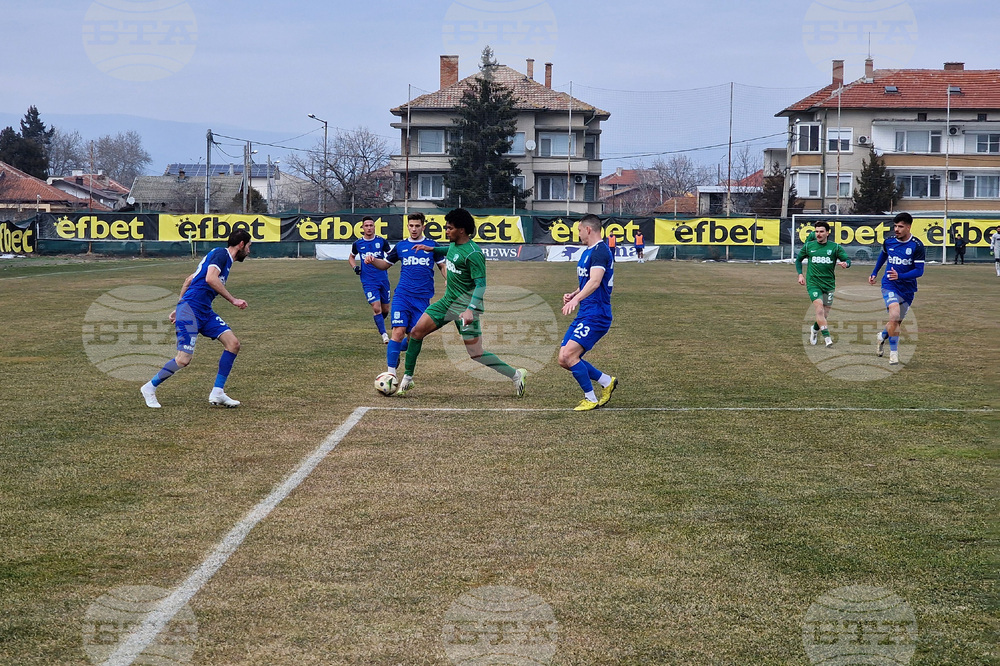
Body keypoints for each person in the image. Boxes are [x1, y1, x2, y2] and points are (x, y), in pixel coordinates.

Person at [398, 208, 526, 397]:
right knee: (416, 332)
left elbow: (481, 285)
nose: (446, 231)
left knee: (476, 353)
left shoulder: (473, 254)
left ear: (462, 230)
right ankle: (408, 378)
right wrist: (431, 249)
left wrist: (470, 310)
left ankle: (516, 374)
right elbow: (449, 251)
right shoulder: (454, 245)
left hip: (465, 309)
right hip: (447, 302)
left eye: (449, 228)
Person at [141, 229, 252, 408]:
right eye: (248, 246)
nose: (249, 250)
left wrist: (179, 306)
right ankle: (149, 387)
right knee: (183, 359)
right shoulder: (221, 254)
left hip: (203, 311)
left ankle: (218, 392)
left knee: (233, 344)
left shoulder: (222, 259)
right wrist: (233, 300)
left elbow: (189, 279)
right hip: (191, 310)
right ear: (241, 245)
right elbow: (210, 279)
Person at [364, 212, 447, 376]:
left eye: (417, 226)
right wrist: (373, 260)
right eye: (411, 226)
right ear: (407, 226)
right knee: (397, 332)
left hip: (422, 299)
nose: (414, 229)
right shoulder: (401, 246)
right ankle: (391, 374)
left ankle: (395, 351)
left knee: (413, 338)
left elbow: (442, 266)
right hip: (402, 296)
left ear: (423, 226)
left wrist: (448, 279)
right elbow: (385, 265)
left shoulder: (432, 246)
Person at [559, 214, 618, 411]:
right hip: (586, 312)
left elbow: (595, 282)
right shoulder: (588, 252)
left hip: (597, 314)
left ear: (588, 229)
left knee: (569, 355)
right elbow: (587, 281)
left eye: (579, 230)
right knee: (563, 359)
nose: (578, 234)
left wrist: (577, 299)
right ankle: (606, 381)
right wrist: (574, 293)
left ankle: (591, 399)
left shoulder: (601, 251)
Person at [869, 212, 925, 365]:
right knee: (893, 316)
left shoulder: (917, 246)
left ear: (908, 227)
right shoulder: (889, 242)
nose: (897, 229)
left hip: (907, 289)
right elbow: (883, 256)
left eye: (900, 226)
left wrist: (900, 276)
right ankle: (894, 354)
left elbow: (919, 271)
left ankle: (882, 336)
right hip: (889, 285)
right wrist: (874, 272)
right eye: (895, 226)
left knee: (896, 323)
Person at [795, 220, 850, 347]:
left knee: (825, 314)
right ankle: (827, 339)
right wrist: (800, 274)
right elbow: (798, 260)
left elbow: (847, 259)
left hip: (829, 284)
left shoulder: (835, 247)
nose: (818, 234)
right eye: (817, 231)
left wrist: (846, 264)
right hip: (813, 283)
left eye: (821, 231)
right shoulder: (809, 246)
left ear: (827, 233)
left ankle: (814, 330)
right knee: (819, 309)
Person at [348, 216, 392, 343]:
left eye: (371, 225)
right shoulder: (358, 244)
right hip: (368, 281)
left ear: (374, 227)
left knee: (385, 310)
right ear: (362, 228)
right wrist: (355, 267)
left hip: (383, 279)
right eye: (366, 225)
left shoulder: (382, 242)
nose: (369, 228)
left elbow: (390, 255)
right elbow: (351, 257)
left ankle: (379, 322)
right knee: (376, 307)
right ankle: (384, 334)